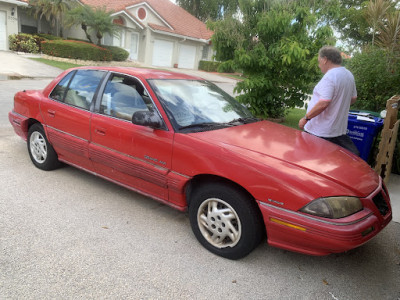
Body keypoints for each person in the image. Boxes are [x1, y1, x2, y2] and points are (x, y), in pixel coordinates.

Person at [298, 46, 360, 156]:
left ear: (325, 59)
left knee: (313, 160)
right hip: (338, 130)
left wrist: (306, 118)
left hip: (319, 131)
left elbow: (324, 103)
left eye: (319, 61)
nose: (319, 65)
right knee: (337, 160)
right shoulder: (348, 75)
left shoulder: (330, 77)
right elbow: (353, 98)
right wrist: (338, 106)